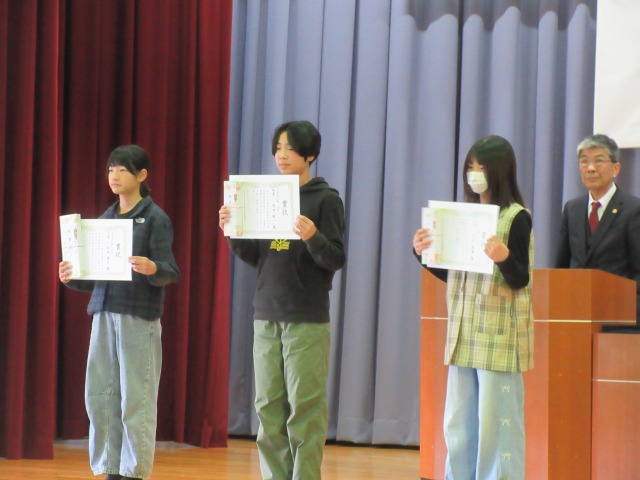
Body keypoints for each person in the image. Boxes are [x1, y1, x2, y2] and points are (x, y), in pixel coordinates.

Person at [219, 120, 346, 480]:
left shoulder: (326, 199)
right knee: (267, 405)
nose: (282, 155)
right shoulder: (267, 195)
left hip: (306, 317)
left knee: (304, 407)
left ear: (310, 155)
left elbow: (335, 258)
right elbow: (258, 256)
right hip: (266, 313)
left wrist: (313, 236)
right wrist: (232, 230)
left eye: (290, 148)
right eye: (278, 148)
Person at [412, 135, 534, 479]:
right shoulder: (463, 215)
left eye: (481, 167)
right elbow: (453, 273)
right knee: (458, 424)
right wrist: (423, 253)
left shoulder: (516, 217)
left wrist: (504, 257)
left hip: (498, 337)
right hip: (464, 333)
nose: (474, 174)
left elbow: (520, 278)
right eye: (470, 166)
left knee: (498, 424)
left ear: (499, 171)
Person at [58, 145, 180, 480]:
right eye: (111, 169)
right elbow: (95, 278)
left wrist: (152, 267)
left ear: (141, 175)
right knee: (100, 394)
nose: (114, 175)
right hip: (103, 314)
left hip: (137, 317)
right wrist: (72, 275)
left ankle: (133, 471)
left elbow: (170, 271)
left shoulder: (155, 218)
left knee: (136, 397)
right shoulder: (105, 220)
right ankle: (110, 467)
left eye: (122, 169)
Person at [555, 133, 640, 330]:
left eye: (599, 161)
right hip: (576, 316)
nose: (590, 168)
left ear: (616, 168)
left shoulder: (634, 209)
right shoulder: (572, 208)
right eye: (584, 161)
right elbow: (561, 267)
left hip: (619, 318)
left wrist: (630, 310)